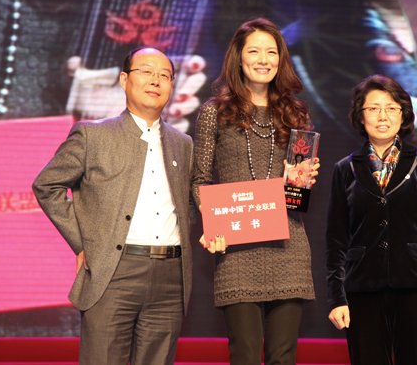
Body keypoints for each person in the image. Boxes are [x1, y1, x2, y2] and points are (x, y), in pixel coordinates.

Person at [32, 47, 194, 365]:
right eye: (146, 72)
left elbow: (187, 202)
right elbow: (47, 185)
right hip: (113, 272)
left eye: (164, 75)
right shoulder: (93, 135)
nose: (156, 80)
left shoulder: (183, 143)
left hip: (170, 278)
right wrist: (84, 243)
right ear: (123, 80)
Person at [192, 18, 319, 365]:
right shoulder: (215, 112)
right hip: (236, 247)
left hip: (288, 247)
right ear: (238, 57)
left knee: (283, 357)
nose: (263, 59)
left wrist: (303, 178)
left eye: (271, 52)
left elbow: (297, 194)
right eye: (254, 51)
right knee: (245, 355)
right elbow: (199, 180)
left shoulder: (296, 114)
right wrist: (213, 223)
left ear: (281, 58)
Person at [326, 74, 417, 365]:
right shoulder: (345, 169)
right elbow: (335, 241)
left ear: (403, 114)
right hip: (362, 290)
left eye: (391, 108)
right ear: (361, 116)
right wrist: (337, 298)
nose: (382, 116)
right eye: (373, 108)